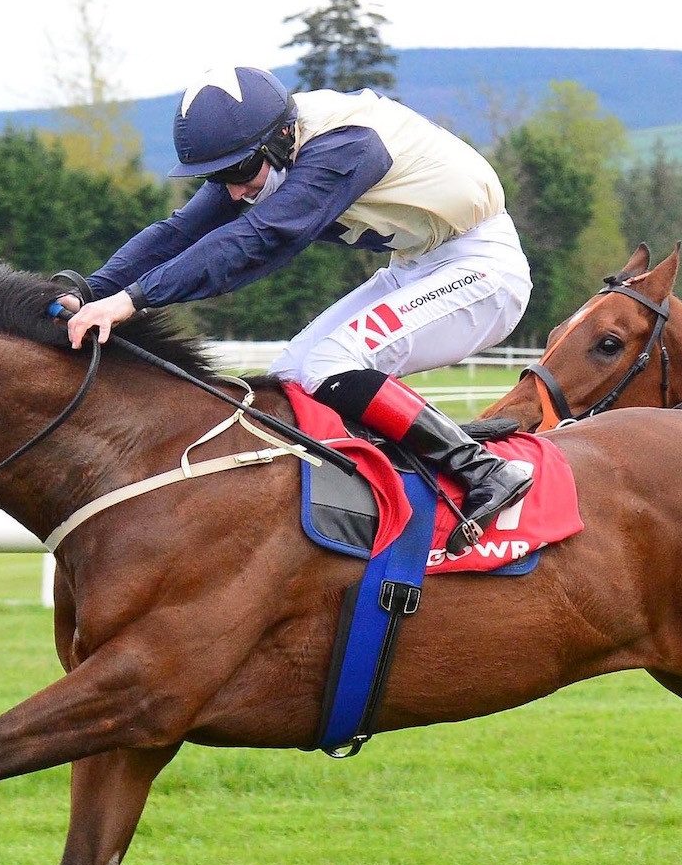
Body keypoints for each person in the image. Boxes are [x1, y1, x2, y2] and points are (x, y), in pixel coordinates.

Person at [61, 65, 534, 552]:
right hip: (422, 263)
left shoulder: (345, 147)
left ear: (284, 138)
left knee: (330, 364)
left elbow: (258, 241)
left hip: (484, 272)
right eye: (217, 176)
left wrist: (131, 300)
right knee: (292, 377)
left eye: (240, 172)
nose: (233, 190)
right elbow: (181, 232)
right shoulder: (264, 144)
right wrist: (90, 289)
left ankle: (484, 471)